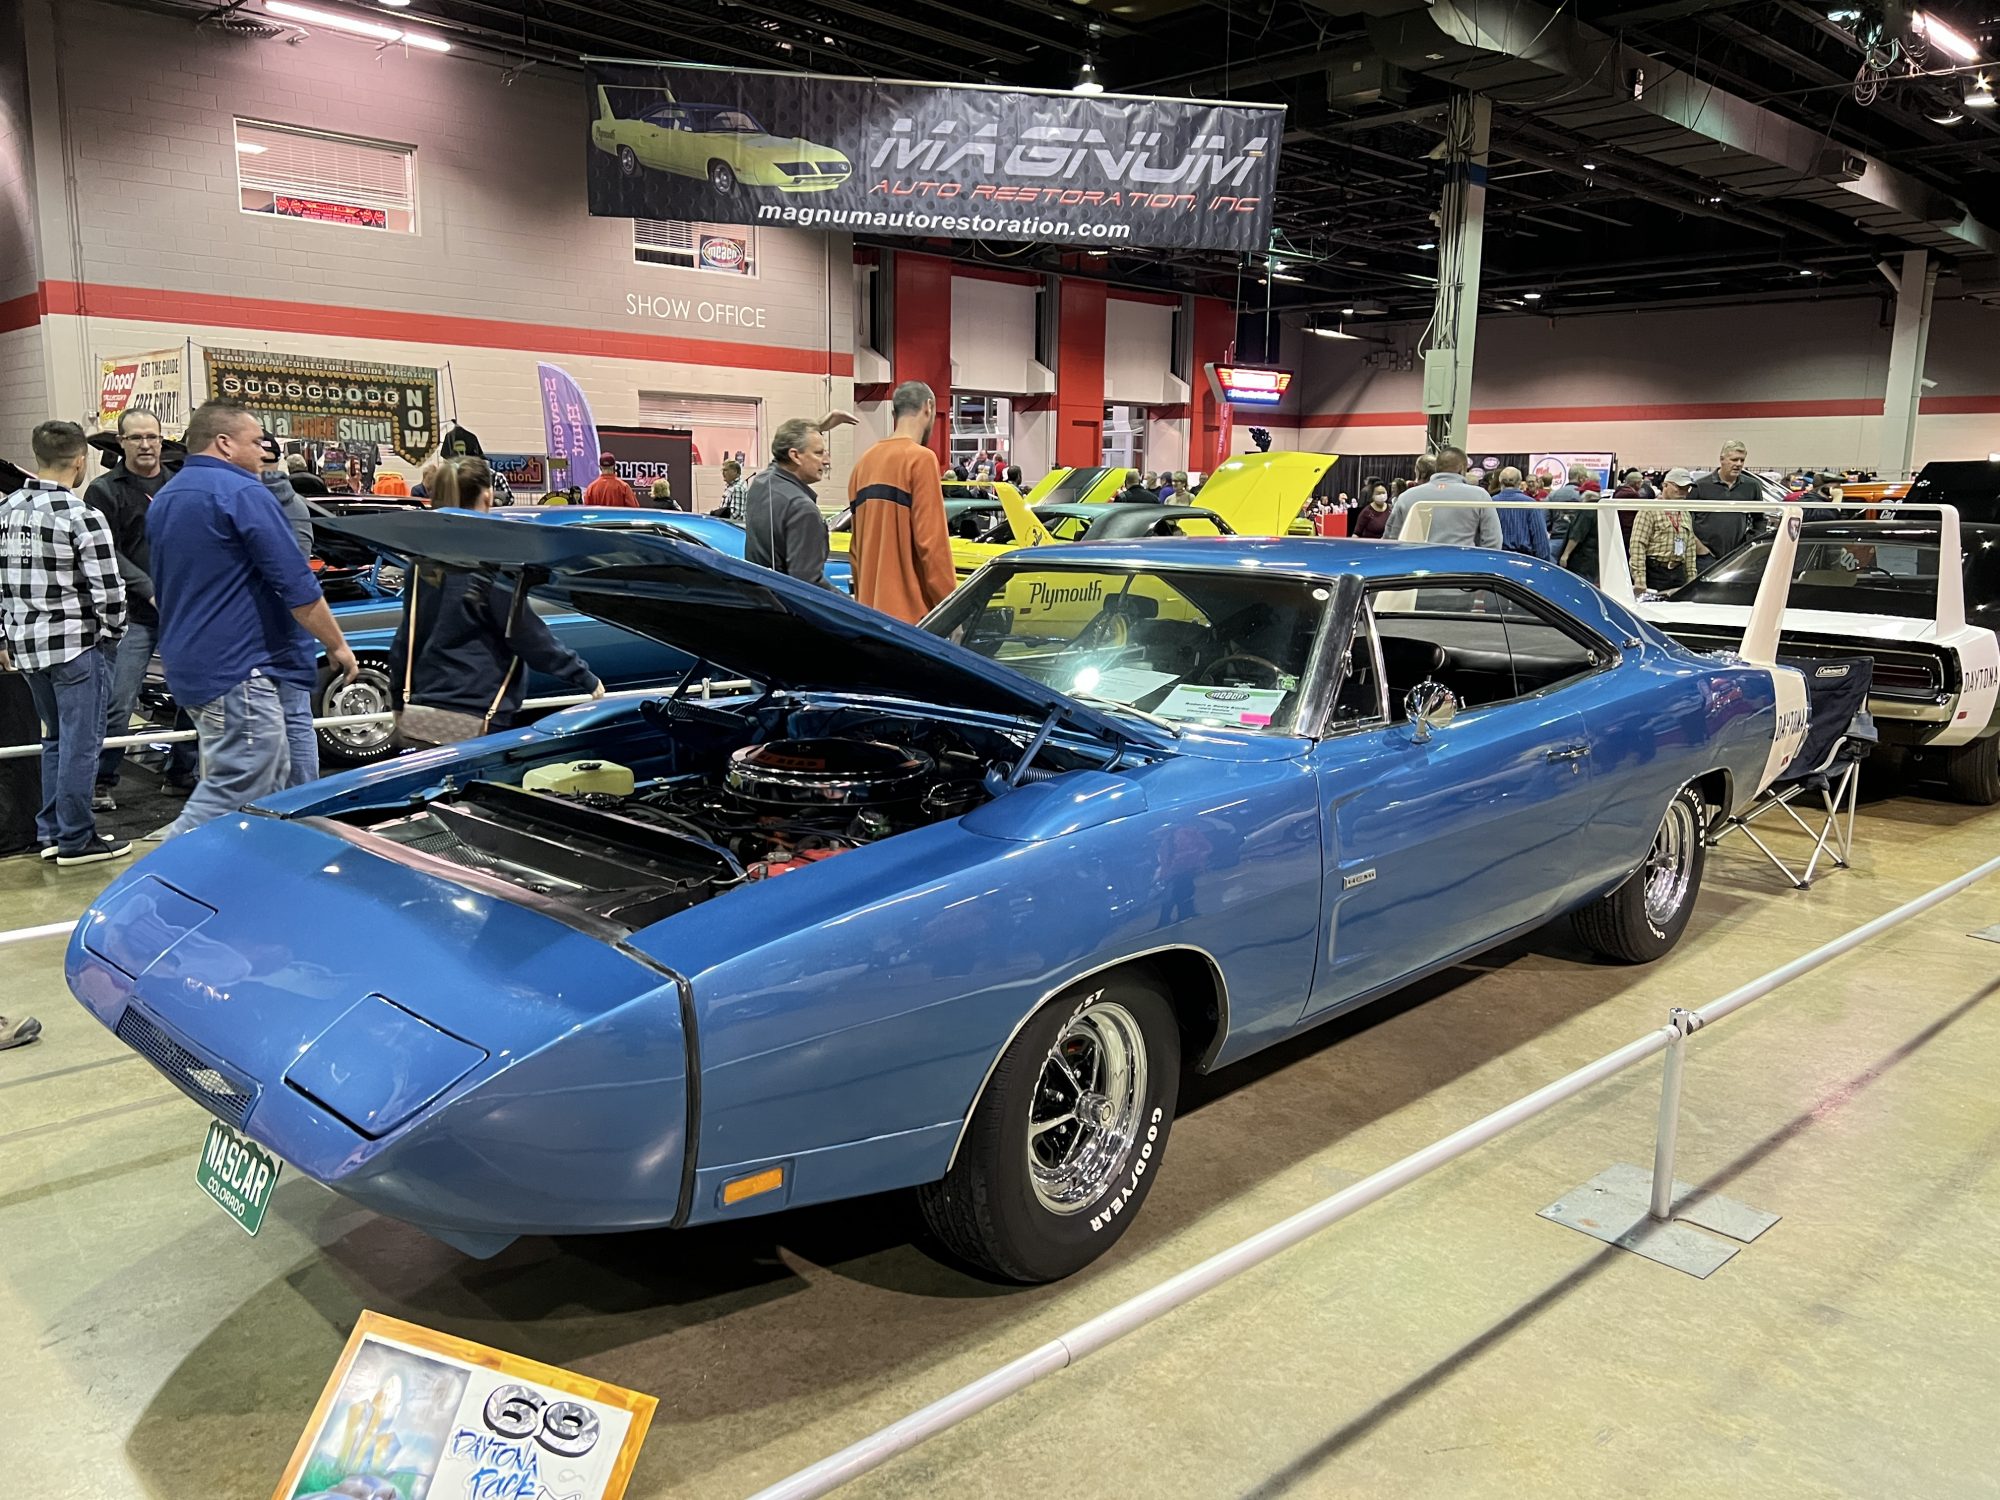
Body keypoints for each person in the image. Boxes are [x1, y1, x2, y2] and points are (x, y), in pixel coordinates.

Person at [145, 400, 359, 841]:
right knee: (241, 782)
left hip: (192, 659)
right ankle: (156, 879)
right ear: (224, 443)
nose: (265, 450)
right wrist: (337, 645)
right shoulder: (241, 492)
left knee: (265, 776)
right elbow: (295, 582)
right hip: (239, 665)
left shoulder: (168, 495)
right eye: (257, 440)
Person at [390, 458, 603, 747]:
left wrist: (397, 701)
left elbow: (406, 638)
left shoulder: (422, 562)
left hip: (423, 714)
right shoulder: (491, 560)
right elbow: (524, 633)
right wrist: (584, 676)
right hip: (479, 713)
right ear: (488, 494)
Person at [0, 420, 130, 865]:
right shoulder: (82, 515)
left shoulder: (7, 510)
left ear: (36, 457)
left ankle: (51, 832)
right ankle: (77, 838)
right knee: (81, 744)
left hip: (27, 646)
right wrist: (113, 635)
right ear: (81, 460)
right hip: (77, 646)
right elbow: (109, 590)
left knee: (54, 739)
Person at [85, 407, 196, 804]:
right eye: (136, 438)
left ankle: (181, 772)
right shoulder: (104, 490)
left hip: (182, 612)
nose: (146, 444)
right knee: (118, 702)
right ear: (121, 442)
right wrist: (149, 589)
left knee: (194, 695)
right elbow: (107, 553)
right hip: (132, 615)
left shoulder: (180, 485)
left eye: (152, 437)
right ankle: (102, 781)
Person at [848, 380, 955, 623]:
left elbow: (855, 551)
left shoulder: (863, 463)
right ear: (928, 407)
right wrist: (951, 607)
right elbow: (932, 545)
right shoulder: (922, 460)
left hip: (869, 615)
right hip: (911, 620)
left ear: (894, 413)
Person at [258, 433, 320, 787]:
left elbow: (295, 569)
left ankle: (303, 796)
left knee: (294, 715)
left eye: (268, 461)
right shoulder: (240, 499)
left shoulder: (292, 505)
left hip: (286, 622)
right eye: (257, 458)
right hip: (255, 626)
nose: (261, 468)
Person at [745, 418, 837, 589]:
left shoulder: (762, 483)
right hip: (788, 610)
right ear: (795, 455)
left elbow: (779, 454)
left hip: (761, 601)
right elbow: (807, 586)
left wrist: (817, 428)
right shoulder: (802, 509)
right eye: (818, 453)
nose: (826, 461)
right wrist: (860, 612)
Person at [1387, 449, 1497, 544]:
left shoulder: (1406, 497)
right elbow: (1493, 539)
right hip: (1463, 565)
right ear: (1462, 469)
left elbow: (1391, 538)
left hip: (1415, 564)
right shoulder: (1480, 496)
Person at [1628, 468, 1707, 593]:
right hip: (1655, 573)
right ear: (1665, 485)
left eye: (1687, 488)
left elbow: (1690, 548)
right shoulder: (1649, 510)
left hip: (1678, 572)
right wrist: (1639, 580)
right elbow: (1638, 545)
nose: (1684, 492)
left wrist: (1691, 579)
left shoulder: (1685, 513)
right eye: (1679, 487)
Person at [1690, 439, 1760, 565]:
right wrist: (1699, 547)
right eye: (1734, 459)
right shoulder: (1700, 486)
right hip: (1704, 557)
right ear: (1722, 459)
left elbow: (1760, 518)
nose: (1738, 464)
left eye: (1742, 460)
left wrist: (1750, 544)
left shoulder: (1752, 486)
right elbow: (1686, 519)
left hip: (1739, 555)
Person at [1491, 467, 1551, 559]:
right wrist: (1545, 562)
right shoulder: (1530, 504)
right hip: (1524, 559)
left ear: (1500, 481)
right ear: (1520, 482)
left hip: (1496, 557)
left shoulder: (1491, 502)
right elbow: (1540, 537)